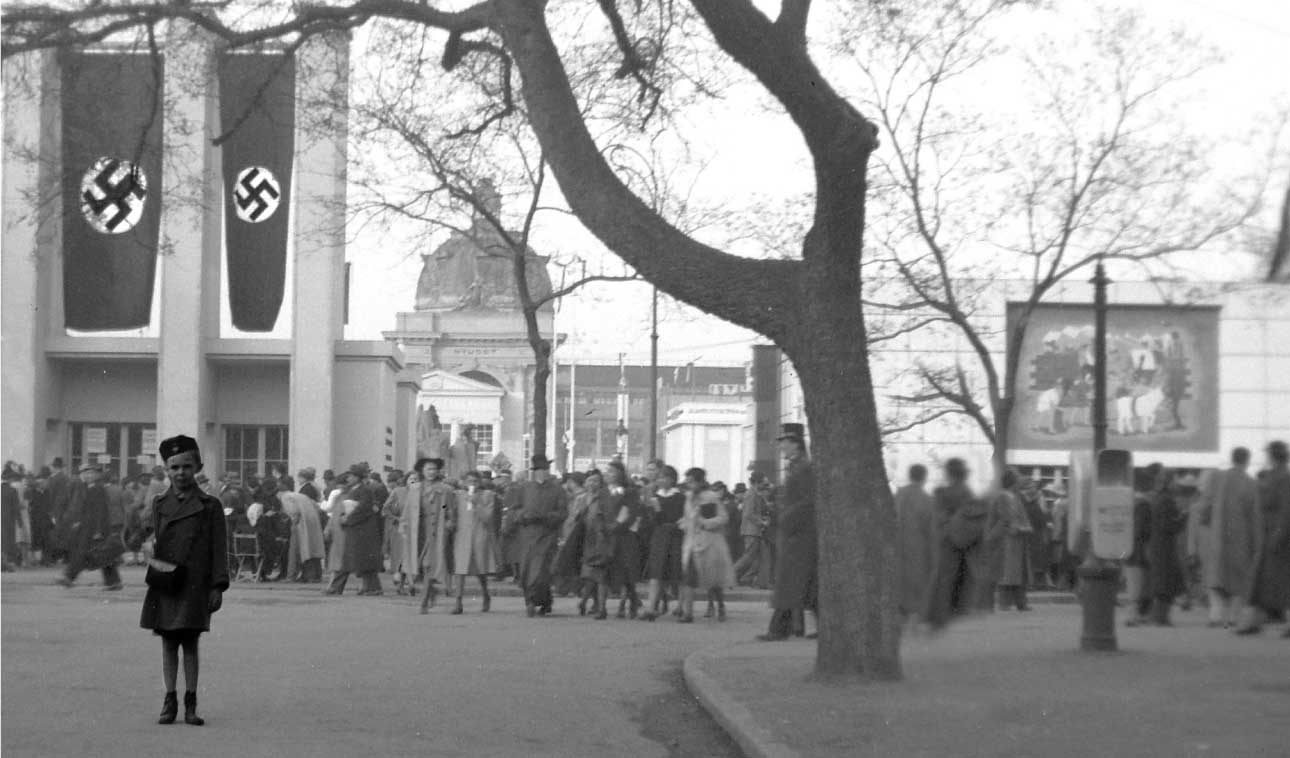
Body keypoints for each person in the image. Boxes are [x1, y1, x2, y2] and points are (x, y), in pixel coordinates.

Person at [139, 435, 228, 726]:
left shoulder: (211, 505)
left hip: (195, 583)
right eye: (174, 467)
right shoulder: (158, 503)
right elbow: (157, 538)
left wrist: (217, 585)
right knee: (167, 643)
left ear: (198, 468)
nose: (180, 473)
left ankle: (191, 702)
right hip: (166, 580)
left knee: (190, 642)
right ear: (166, 469)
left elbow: (218, 548)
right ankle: (169, 700)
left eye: (186, 467)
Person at [758, 423, 818, 641]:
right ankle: (788, 627)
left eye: (784, 442)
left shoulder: (804, 468)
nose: (781, 447)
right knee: (802, 583)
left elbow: (807, 501)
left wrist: (786, 517)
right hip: (795, 532)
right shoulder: (796, 467)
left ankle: (780, 629)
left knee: (795, 581)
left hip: (801, 533)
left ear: (796, 444)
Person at [924, 458, 987, 630]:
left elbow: (939, 517)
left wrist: (945, 526)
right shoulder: (967, 492)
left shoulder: (943, 493)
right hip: (963, 540)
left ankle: (937, 615)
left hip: (947, 539)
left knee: (944, 576)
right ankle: (954, 610)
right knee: (960, 575)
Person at [1235, 440, 1290, 637]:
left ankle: (1254, 621)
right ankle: (1253, 621)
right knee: (1262, 582)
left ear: (1273, 455)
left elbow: (1286, 509)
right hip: (1267, 536)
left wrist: (1279, 534)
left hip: (1277, 538)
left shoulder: (1284, 477)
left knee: (1279, 583)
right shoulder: (1277, 475)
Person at [1198, 448, 1257, 628]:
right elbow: (1253, 515)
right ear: (1247, 461)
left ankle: (1216, 616)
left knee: (1215, 576)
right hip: (1241, 537)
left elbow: (1205, 507)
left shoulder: (1216, 478)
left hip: (1216, 536)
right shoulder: (1250, 483)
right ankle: (1233, 617)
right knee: (1239, 578)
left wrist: (1205, 524)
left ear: (1232, 459)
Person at [504, 454, 568, 617]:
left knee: (540, 571)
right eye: (539, 470)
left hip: (547, 534)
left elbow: (563, 512)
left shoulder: (557, 490)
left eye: (545, 469)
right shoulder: (524, 488)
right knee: (527, 570)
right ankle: (532, 600)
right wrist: (522, 515)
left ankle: (537, 601)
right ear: (534, 472)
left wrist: (547, 517)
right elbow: (513, 510)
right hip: (527, 534)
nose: (542, 473)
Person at [55, 463, 125, 590]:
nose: (88, 475)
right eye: (86, 473)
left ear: (97, 476)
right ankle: (113, 582)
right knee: (103, 556)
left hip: (95, 529)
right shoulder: (88, 488)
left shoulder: (97, 489)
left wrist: (98, 530)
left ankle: (69, 577)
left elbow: (101, 511)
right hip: (88, 527)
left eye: (91, 473)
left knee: (86, 553)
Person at [679, 467, 734, 623]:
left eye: (692, 481)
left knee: (713, 578)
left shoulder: (710, 497)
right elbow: (688, 517)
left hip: (710, 542)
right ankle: (687, 613)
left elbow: (723, 517)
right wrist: (683, 523)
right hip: (691, 542)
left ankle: (719, 604)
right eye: (687, 481)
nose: (689, 484)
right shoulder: (688, 497)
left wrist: (705, 523)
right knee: (689, 576)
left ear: (700, 481)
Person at [448, 470, 499, 613]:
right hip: (462, 535)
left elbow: (488, 518)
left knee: (481, 569)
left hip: (479, 534)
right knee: (460, 569)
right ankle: (458, 602)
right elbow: (447, 508)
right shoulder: (458, 495)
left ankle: (485, 594)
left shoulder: (487, 496)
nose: (472, 484)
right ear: (464, 482)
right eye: (469, 481)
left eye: (475, 481)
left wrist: (477, 504)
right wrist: (449, 519)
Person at [408, 458, 453, 613]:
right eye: (428, 469)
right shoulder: (414, 489)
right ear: (422, 471)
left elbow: (448, 508)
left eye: (434, 469)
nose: (432, 472)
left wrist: (448, 520)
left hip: (437, 531)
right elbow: (408, 509)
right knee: (420, 566)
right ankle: (431, 590)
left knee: (429, 565)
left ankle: (424, 601)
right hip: (419, 531)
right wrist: (404, 524)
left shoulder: (445, 489)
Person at [641, 465, 686, 621]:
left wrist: (677, 525)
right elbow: (653, 521)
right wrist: (656, 509)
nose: (660, 480)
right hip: (659, 537)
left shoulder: (680, 497)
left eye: (663, 477)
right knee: (656, 573)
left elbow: (682, 517)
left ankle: (682, 606)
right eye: (659, 477)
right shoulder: (655, 498)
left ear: (672, 479)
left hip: (676, 537)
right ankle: (651, 607)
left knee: (678, 572)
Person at [987, 469, 1033, 612]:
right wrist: (1019, 528)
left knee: (1018, 573)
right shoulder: (1003, 497)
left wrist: (1025, 527)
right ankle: (1005, 602)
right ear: (1012, 482)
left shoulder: (1015, 497)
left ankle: (1021, 602)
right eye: (1018, 479)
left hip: (1016, 541)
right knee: (1007, 574)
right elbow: (1007, 519)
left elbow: (1021, 517)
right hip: (1006, 540)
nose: (1020, 482)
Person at [895, 464, 935, 620]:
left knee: (900, 577)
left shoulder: (898, 495)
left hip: (897, 545)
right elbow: (930, 530)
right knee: (918, 578)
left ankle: (901, 609)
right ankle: (916, 610)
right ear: (924, 478)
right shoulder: (926, 500)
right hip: (918, 546)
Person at [733, 471, 774, 589]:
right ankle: (730, 575)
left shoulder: (753, 494)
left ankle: (754, 580)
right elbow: (748, 514)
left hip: (753, 530)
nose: (765, 485)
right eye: (763, 483)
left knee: (761, 556)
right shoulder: (751, 494)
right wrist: (762, 522)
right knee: (748, 557)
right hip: (752, 531)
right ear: (757, 482)